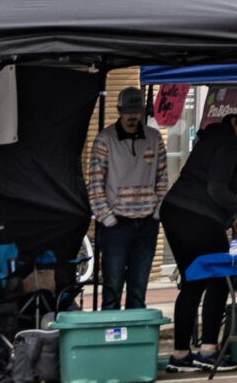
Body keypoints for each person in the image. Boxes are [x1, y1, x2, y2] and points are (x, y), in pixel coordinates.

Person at [160, 104, 237, 373]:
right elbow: (216, 188)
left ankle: (181, 354)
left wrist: (230, 219)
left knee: (193, 281)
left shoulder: (213, 137)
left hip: (175, 211)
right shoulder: (229, 143)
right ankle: (208, 350)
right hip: (195, 217)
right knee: (219, 278)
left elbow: (207, 184)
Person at [86, 87, 168, 312]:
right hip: (117, 223)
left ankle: (133, 340)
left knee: (139, 287)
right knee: (112, 286)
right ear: (119, 110)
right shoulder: (105, 140)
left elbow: (162, 178)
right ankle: (109, 340)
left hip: (147, 222)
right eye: (128, 111)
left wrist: (157, 212)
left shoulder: (154, 138)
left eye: (137, 111)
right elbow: (95, 183)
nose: (133, 116)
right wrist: (108, 218)